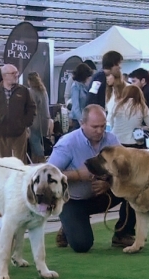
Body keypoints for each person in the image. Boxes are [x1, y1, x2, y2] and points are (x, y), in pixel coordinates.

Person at [48, 104, 136, 252]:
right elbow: (48, 175)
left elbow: (126, 170)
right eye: (95, 127)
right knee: (82, 246)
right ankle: (68, 226)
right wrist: (77, 175)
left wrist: (109, 183)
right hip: (73, 201)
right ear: (82, 123)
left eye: (103, 126)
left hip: (102, 194)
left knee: (134, 188)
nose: (100, 131)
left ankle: (123, 234)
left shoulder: (111, 140)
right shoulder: (67, 143)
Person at [0, 64, 36, 163]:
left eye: (16, 73)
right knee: (2, 162)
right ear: (4, 75)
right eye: (13, 73)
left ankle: (19, 179)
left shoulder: (24, 91)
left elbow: (31, 107)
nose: (16, 75)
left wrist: (26, 123)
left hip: (19, 132)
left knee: (20, 162)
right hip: (0, 132)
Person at [26, 72, 51, 163]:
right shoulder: (43, 91)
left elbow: (31, 107)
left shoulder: (31, 91)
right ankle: (37, 161)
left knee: (35, 142)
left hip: (36, 121)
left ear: (29, 80)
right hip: (45, 120)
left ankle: (42, 160)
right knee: (39, 141)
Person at [69, 63, 93, 131]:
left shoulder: (85, 86)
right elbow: (76, 106)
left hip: (84, 118)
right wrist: (81, 121)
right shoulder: (75, 87)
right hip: (77, 120)